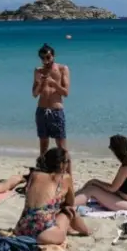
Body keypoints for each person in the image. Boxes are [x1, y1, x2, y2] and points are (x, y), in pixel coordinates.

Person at [14, 147, 90, 245]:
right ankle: (87, 231)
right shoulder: (64, 177)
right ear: (61, 164)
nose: (68, 165)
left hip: (21, 230)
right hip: (43, 234)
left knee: (49, 211)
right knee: (69, 211)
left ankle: (81, 230)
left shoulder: (34, 174)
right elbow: (70, 202)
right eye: (68, 162)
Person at [74, 134, 127, 211]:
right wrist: (94, 182)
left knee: (92, 189)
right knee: (91, 185)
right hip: (121, 196)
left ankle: (67, 204)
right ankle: (72, 198)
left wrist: (95, 181)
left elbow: (112, 188)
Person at [32, 43, 71, 173]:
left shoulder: (62, 69)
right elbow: (34, 94)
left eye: (48, 57)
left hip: (56, 110)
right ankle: (43, 171)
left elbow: (65, 93)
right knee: (43, 144)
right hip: (42, 110)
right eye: (42, 58)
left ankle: (68, 174)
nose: (45, 61)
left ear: (53, 56)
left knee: (61, 145)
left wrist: (54, 83)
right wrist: (41, 83)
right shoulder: (38, 71)